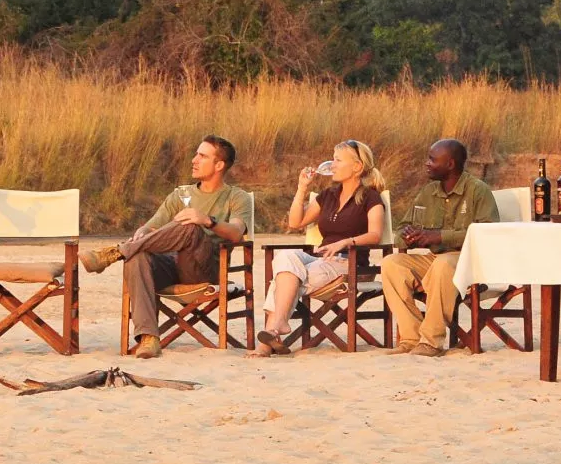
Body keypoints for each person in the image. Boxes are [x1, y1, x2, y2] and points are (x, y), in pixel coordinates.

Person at [82, 135, 253, 359]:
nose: (194, 160)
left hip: (206, 271)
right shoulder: (180, 194)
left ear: (219, 165)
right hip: (171, 267)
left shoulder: (236, 197)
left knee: (191, 227)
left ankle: (116, 252)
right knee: (138, 257)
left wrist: (207, 221)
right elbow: (150, 228)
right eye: (196, 154)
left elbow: (237, 231)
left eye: (202, 156)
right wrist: (140, 236)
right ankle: (149, 338)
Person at [253, 140, 389, 357]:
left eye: (337, 160)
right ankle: (277, 325)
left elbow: (375, 234)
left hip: (348, 263)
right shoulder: (328, 195)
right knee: (285, 257)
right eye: (332, 159)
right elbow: (295, 223)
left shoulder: (370, 197)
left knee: (282, 279)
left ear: (357, 167)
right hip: (319, 259)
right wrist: (302, 189)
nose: (332, 165)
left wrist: (347, 241)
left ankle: (271, 334)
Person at [378, 139, 499, 356]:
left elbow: (487, 234)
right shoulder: (428, 192)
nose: (426, 163)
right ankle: (411, 337)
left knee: (443, 264)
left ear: (450, 164)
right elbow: (402, 228)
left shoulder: (478, 191)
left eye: (432, 160)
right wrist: (408, 237)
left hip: (467, 262)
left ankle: (432, 341)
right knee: (391, 263)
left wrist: (439, 236)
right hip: (435, 261)